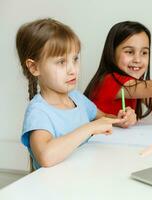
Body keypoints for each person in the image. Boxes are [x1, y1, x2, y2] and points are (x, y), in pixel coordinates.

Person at [16, 18, 130, 170]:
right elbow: (46, 156)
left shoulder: (77, 98)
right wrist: (90, 128)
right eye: (61, 62)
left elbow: (103, 118)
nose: (73, 70)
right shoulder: (39, 112)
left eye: (75, 59)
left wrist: (120, 119)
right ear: (34, 67)